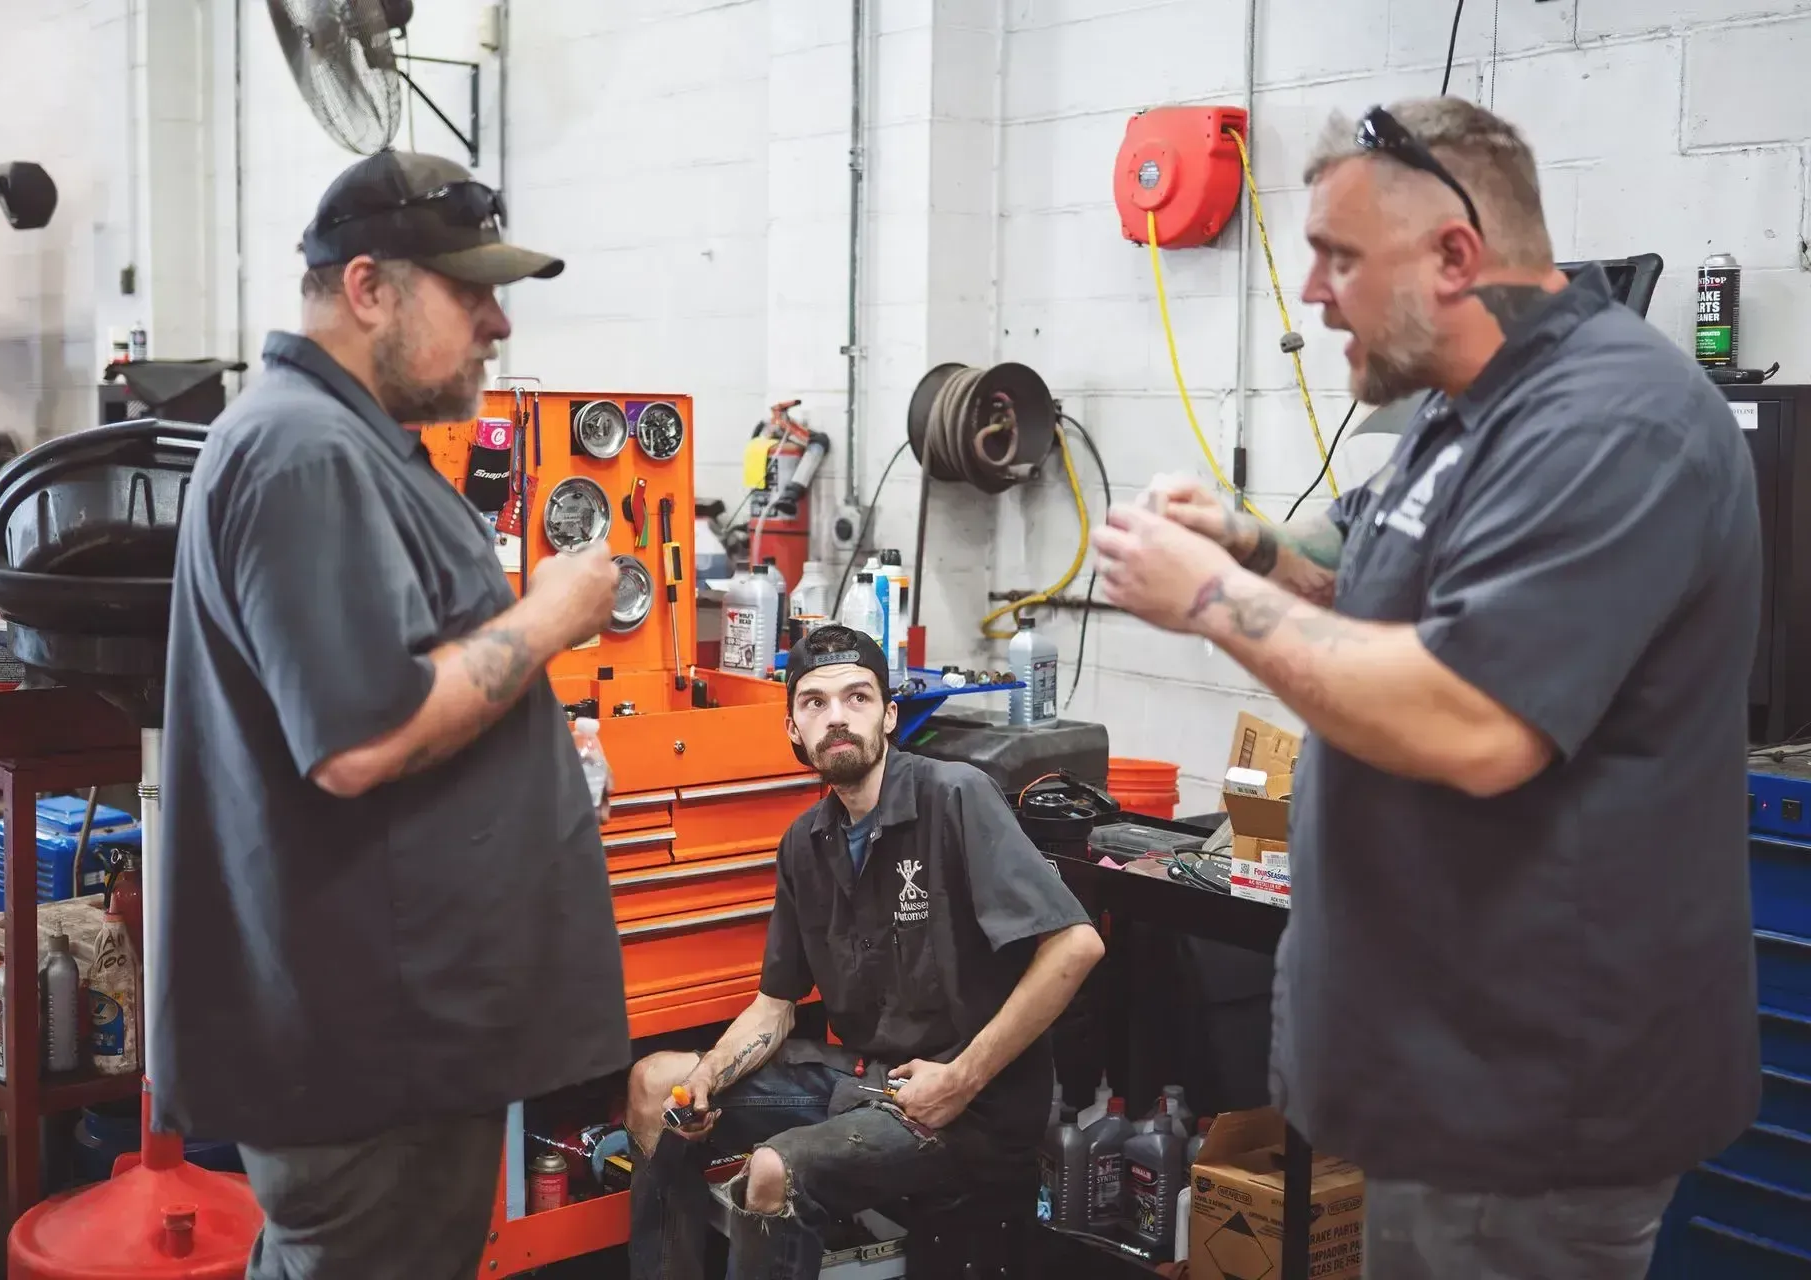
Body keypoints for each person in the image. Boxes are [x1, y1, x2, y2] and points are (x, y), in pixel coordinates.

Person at [1092, 98, 1762, 1279]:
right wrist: (1245, 543)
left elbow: (1472, 717)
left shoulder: (1616, 421)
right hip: (1436, 1068)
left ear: (1456, 255)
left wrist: (1207, 598)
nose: (1311, 292)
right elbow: (1360, 572)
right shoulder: (1463, 414)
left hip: (1532, 1094)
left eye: (1339, 257)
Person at [152, 150, 630, 1280]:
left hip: (396, 1041)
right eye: (472, 295)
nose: (498, 324)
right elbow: (364, 740)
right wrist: (552, 615)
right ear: (369, 288)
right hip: (370, 1053)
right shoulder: (303, 452)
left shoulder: (349, 442)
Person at [624, 625, 1105, 1280]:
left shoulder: (954, 796)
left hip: (973, 1105)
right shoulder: (806, 843)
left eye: (857, 697)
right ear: (793, 728)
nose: (837, 717)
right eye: (814, 703)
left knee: (775, 1171)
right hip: (864, 1081)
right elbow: (775, 1006)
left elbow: (1076, 945)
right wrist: (708, 1075)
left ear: (889, 714)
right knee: (657, 1085)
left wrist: (961, 1077)